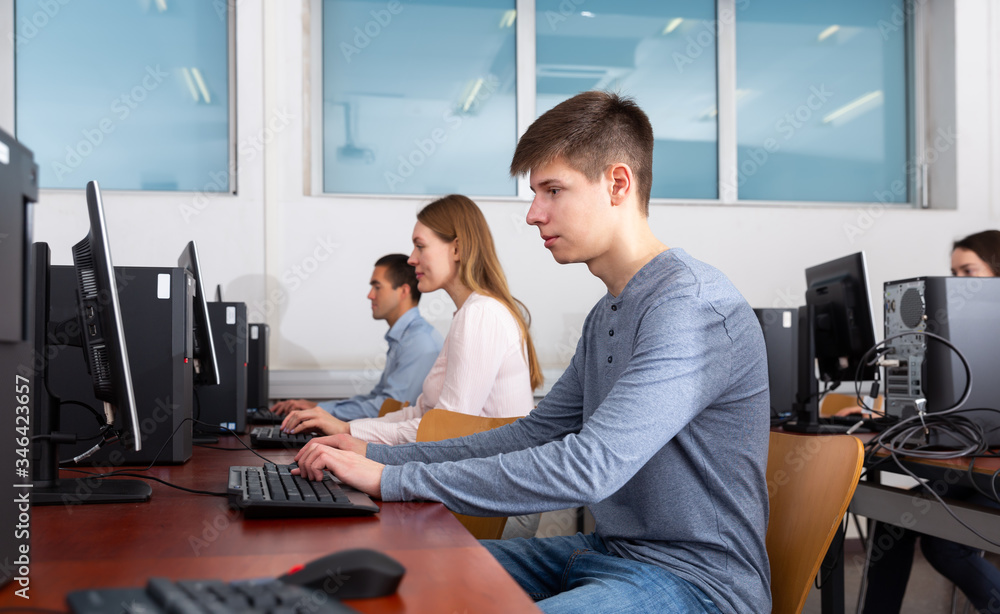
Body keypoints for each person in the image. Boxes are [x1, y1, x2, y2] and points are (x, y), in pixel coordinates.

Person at [291, 91, 771, 614]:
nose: (533, 214)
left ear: (617, 184)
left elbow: (590, 467)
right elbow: (532, 433)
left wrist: (394, 478)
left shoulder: (692, 307)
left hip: (698, 583)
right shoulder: (608, 312)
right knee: (395, 572)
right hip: (606, 551)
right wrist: (379, 455)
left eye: (552, 190)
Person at [280, 194, 543, 445]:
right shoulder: (470, 313)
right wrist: (347, 428)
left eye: (420, 246)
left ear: (457, 249)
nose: (411, 258)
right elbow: (421, 412)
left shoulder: (481, 313)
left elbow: (447, 430)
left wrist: (349, 431)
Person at [861, 230, 1000, 613]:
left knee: (945, 544)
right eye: (954, 272)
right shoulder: (958, 335)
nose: (960, 282)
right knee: (891, 520)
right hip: (971, 458)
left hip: (990, 468)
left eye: (969, 271)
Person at [270, 254, 442, 421]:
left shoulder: (419, 342)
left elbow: (388, 409)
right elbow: (377, 398)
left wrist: (322, 411)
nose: (370, 295)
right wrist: (317, 407)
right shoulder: (405, 337)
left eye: (377, 287)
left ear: (403, 291)